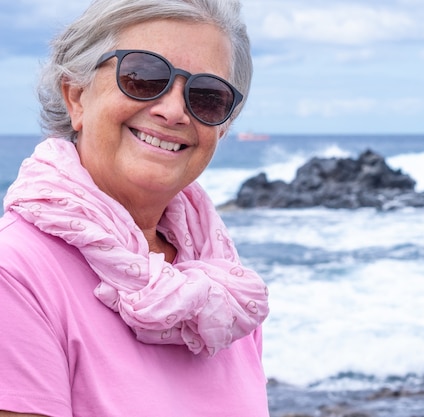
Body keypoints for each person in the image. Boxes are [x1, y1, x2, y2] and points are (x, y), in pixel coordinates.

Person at [0, 0, 270, 416]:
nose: (173, 111)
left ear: (223, 126)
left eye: (207, 96)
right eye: (143, 77)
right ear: (76, 98)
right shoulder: (16, 274)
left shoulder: (224, 289)